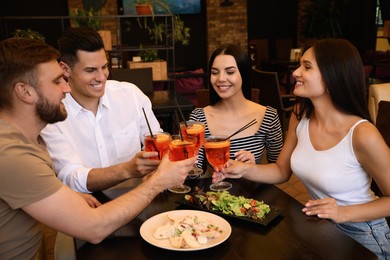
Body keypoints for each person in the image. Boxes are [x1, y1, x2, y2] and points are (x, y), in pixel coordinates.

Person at [0, 37, 196, 259]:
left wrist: (66, 195)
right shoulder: (11, 154)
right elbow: (93, 228)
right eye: (57, 81)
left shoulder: (24, 140)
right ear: (25, 92)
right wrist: (158, 181)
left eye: (104, 67)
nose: (66, 88)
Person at [218, 39, 390, 258]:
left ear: (332, 76)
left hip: (363, 235)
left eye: (307, 67)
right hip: (322, 228)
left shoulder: (362, 134)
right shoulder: (301, 115)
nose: (296, 73)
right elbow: (281, 170)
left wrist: (342, 212)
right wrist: (243, 170)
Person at [41, 27, 161, 193]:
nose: (101, 77)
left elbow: (158, 140)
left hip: (138, 195)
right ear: (65, 69)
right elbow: (71, 176)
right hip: (86, 206)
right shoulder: (53, 112)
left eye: (104, 67)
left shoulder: (130, 94)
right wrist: (127, 169)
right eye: (90, 70)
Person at [189, 44, 283, 177]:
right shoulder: (198, 118)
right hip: (214, 196)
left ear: (244, 73)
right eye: (215, 72)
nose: (221, 78)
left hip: (253, 196)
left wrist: (252, 168)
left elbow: (279, 171)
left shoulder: (268, 116)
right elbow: (193, 175)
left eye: (230, 72)